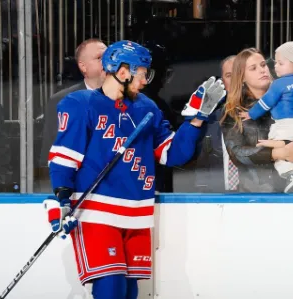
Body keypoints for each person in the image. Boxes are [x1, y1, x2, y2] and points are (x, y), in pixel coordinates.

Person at [44, 40, 225, 299]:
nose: (146, 80)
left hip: (137, 214)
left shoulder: (147, 108)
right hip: (97, 212)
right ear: (122, 71)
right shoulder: (80, 104)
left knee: (129, 291)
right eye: (143, 73)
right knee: (111, 287)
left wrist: (196, 119)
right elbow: (64, 157)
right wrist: (62, 197)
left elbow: (172, 154)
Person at [220, 47, 293, 193]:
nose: (262, 70)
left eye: (263, 65)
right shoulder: (234, 110)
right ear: (242, 76)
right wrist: (277, 153)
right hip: (257, 195)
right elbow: (237, 153)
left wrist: (292, 148)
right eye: (253, 68)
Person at [39, 38, 107, 168]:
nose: (108, 62)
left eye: (109, 57)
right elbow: (51, 145)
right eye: (100, 58)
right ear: (83, 66)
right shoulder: (62, 100)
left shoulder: (127, 99)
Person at [191, 55, 237, 192]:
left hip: (258, 201)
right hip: (217, 201)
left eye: (239, 74)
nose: (235, 80)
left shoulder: (265, 115)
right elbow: (203, 168)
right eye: (229, 75)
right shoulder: (210, 120)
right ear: (223, 82)